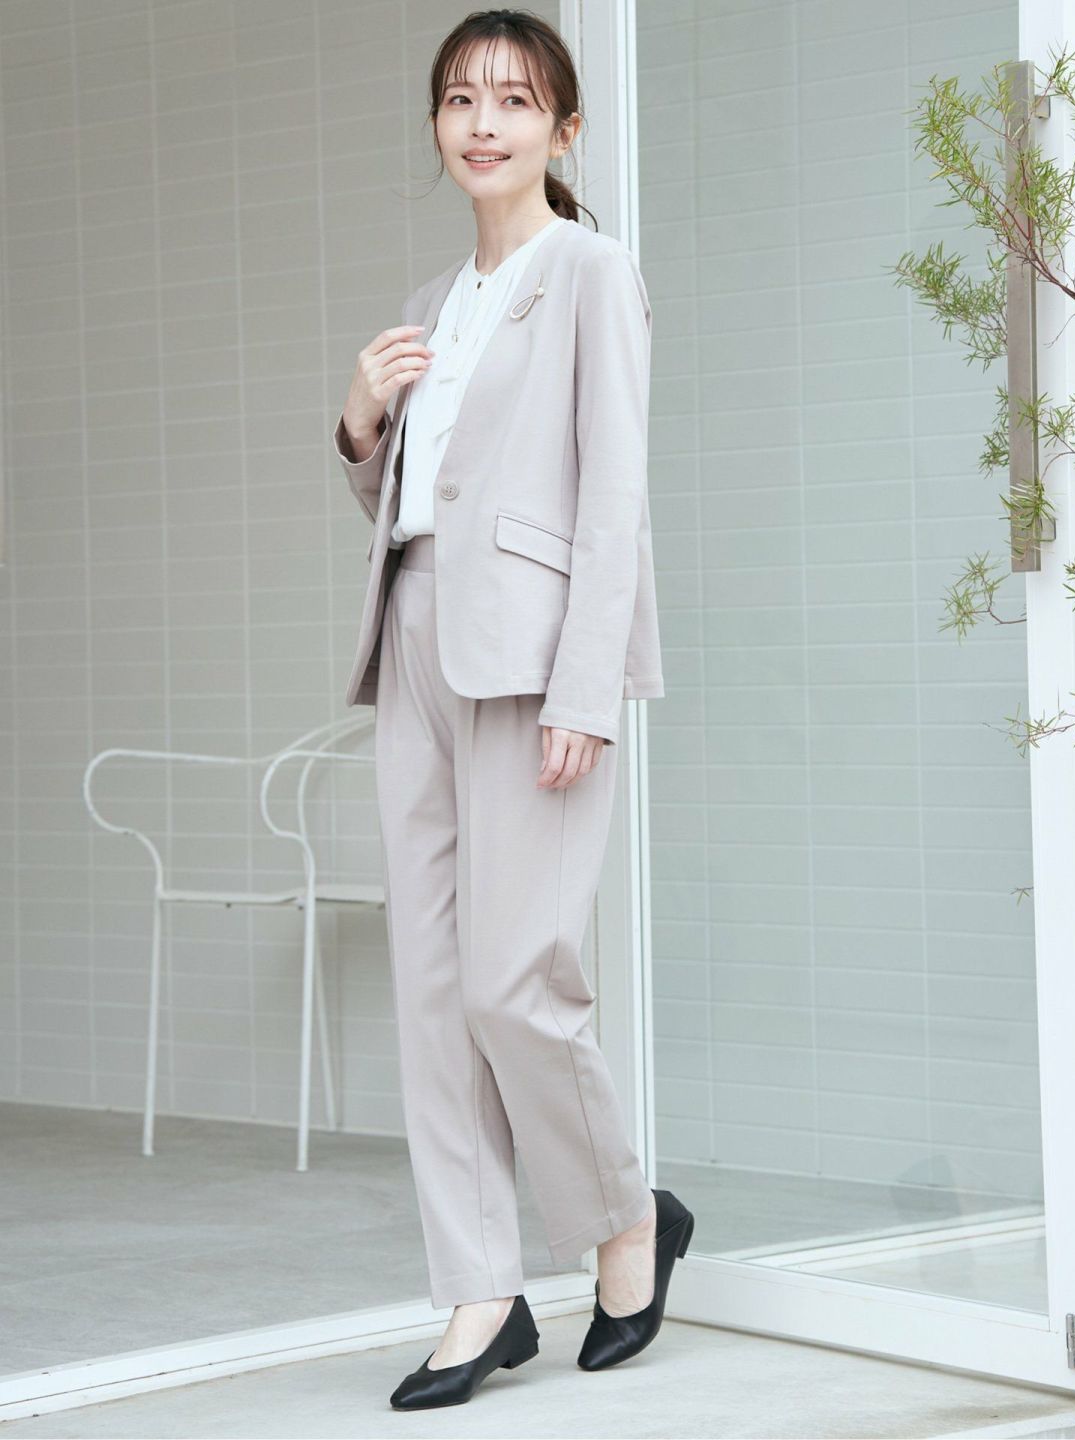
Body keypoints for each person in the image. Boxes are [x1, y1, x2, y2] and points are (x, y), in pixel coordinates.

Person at [331, 8, 694, 1412]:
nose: (482, 124)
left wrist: (589, 685)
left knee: (513, 981)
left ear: (564, 129)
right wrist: (361, 421)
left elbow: (615, 492)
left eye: (514, 100)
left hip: (537, 658)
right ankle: (480, 1291)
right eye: (460, 100)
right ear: (437, 124)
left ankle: (624, 1219)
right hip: (415, 638)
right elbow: (421, 497)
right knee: (432, 993)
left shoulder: (593, 272)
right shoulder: (433, 300)